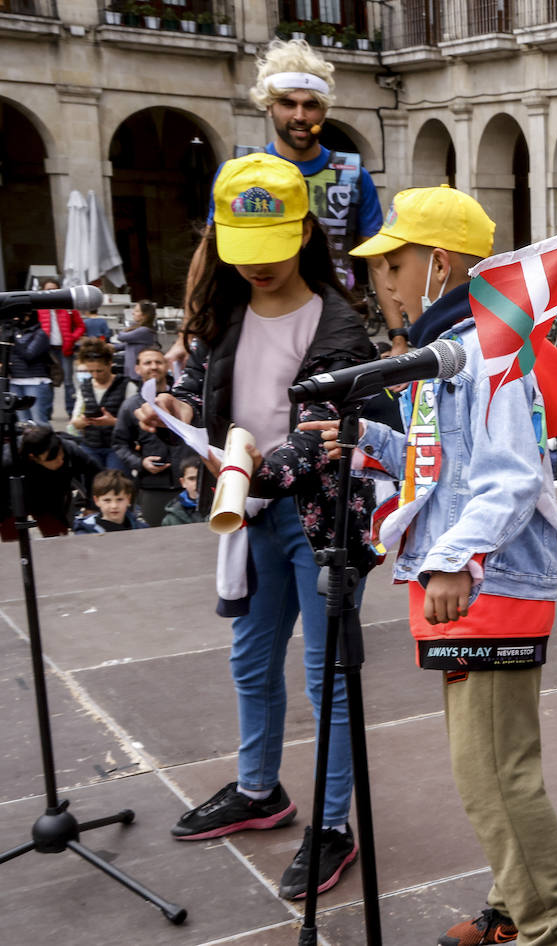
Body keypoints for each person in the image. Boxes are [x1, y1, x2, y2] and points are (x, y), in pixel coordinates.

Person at [330, 184, 557, 946]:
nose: (381, 282)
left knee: (493, 776)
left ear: (436, 263)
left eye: (390, 264)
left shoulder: (484, 348)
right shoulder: (452, 346)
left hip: (485, 583)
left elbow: (511, 473)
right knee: (493, 767)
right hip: (470, 581)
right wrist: (366, 441)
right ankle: (511, 907)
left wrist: (456, 559)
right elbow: (444, 471)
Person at [137, 152, 378, 901]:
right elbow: (198, 375)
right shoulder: (225, 311)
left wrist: (236, 471)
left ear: (304, 232)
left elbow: (314, 442)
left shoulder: (338, 325)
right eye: (244, 255)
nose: (258, 268)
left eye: (271, 252)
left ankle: (333, 824)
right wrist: (176, 407)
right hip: (249, 514)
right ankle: (259, 788)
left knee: (326, 675)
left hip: (317, 517)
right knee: (250, 661)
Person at [201, 38, 407, 354]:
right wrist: (191, 329)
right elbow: (208, 252)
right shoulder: (239, 173)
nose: (300, 115)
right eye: (288, 103)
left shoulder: (352, 175)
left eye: (310, 104)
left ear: (323, 110)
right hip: (254, 320)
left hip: (333, 325)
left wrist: (398, 337)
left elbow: (377, 262)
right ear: (269, 106)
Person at [113, 347, 186, 527]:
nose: (153, 367)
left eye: (158, 362)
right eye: (147, 363)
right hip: (153, 487)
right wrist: (141, 463)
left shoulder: (185, 401)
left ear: (167, 365)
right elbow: (120, 444)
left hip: (190, 485)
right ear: (137, 369)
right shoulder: (130, 406)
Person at [0, 424, 101, 540]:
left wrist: (91, 505)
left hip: (51, 499)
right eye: (52, 458)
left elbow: (96, 472)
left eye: (61, 455)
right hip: (11, 501)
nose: (60, 461)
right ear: (33, 457)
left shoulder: (69, 448)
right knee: (13, 543)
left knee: (58, 539)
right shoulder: (8, 459)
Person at [70, 338, 137, 469]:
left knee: (116, 481)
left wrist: (114, 422)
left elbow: (136, 422)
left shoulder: (127, 385)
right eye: (90, 371)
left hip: (118, 445)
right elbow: (75, 421)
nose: (95, 375)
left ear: (110, 364)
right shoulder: (84, 387)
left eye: (99, 370)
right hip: (90, 444)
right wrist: (82, 422)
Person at [36, 277, 86, 414]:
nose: (52, 293)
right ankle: (47, 412)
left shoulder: (68, 307)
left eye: (54, 289)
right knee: (48, 382)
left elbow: (80, 326)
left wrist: (71, 338)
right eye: (48, 290)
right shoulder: (39, 309)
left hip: (65, 349)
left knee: (68, 383)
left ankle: (71, 412)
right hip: (47, 351)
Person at [7, 310, 53, 425]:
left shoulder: (40, 334)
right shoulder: (13, 332)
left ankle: (48, 443)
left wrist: (13, 341)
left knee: (39, 421)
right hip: (15, 382)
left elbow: (30, 355)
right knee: (22, 423)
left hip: (35, 382)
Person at [73, 469, 147, 534]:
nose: (114, 506)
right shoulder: (86, 530)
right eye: (107, 500)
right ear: (97, 501)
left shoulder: (141, 528)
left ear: (128, 499)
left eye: (119, 499)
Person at [114, 300, 160, 379]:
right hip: (131, 371)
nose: (133, 313)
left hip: (136, 373)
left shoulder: (144, 330)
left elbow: (121, 337)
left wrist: (126, 330)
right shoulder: (141, 329)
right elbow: (128, 344)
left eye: (137, 311)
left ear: (145, 315)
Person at [161, 455, 206, 526]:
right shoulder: (171, 518)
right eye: (192, 478)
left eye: (202, 478)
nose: (197, 483)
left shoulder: (221, 509)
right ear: (183, 482)